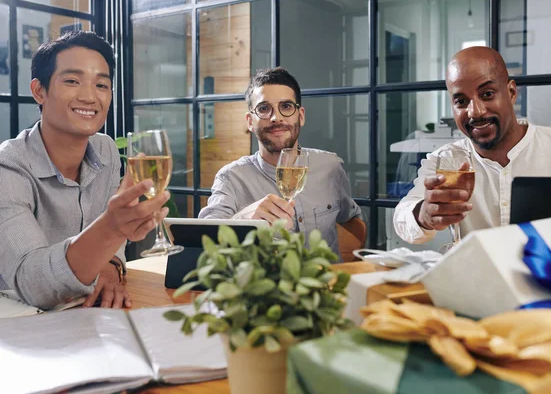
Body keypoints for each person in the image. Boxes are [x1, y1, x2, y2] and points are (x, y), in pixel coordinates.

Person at [0, 31, 170, 309]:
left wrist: (111, 264)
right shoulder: (7, 166)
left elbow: (111, 250)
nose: (90, 97)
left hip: (88, 315)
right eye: (72, 81)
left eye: (101, 85)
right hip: (18, 329)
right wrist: (112, 229)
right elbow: (32, 283)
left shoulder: (105, 150)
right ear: (39, 91)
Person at [394, 46, 551, 244]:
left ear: (511, 92)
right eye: (461, 101)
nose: (475, 111)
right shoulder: (445, 160)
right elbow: (403, 217)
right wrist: (424, 214)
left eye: (487, 94)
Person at [198, 67, 361, 258]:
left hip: (325, 286)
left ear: (300, 116)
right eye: (264, 108)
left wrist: (350, 268)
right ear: (250, 121)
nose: (276, 118)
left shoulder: (331, 166)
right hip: (267, 288)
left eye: (286, 106)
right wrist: (243, 220)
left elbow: (351, 222)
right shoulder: (231, 178)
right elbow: (204, 245)